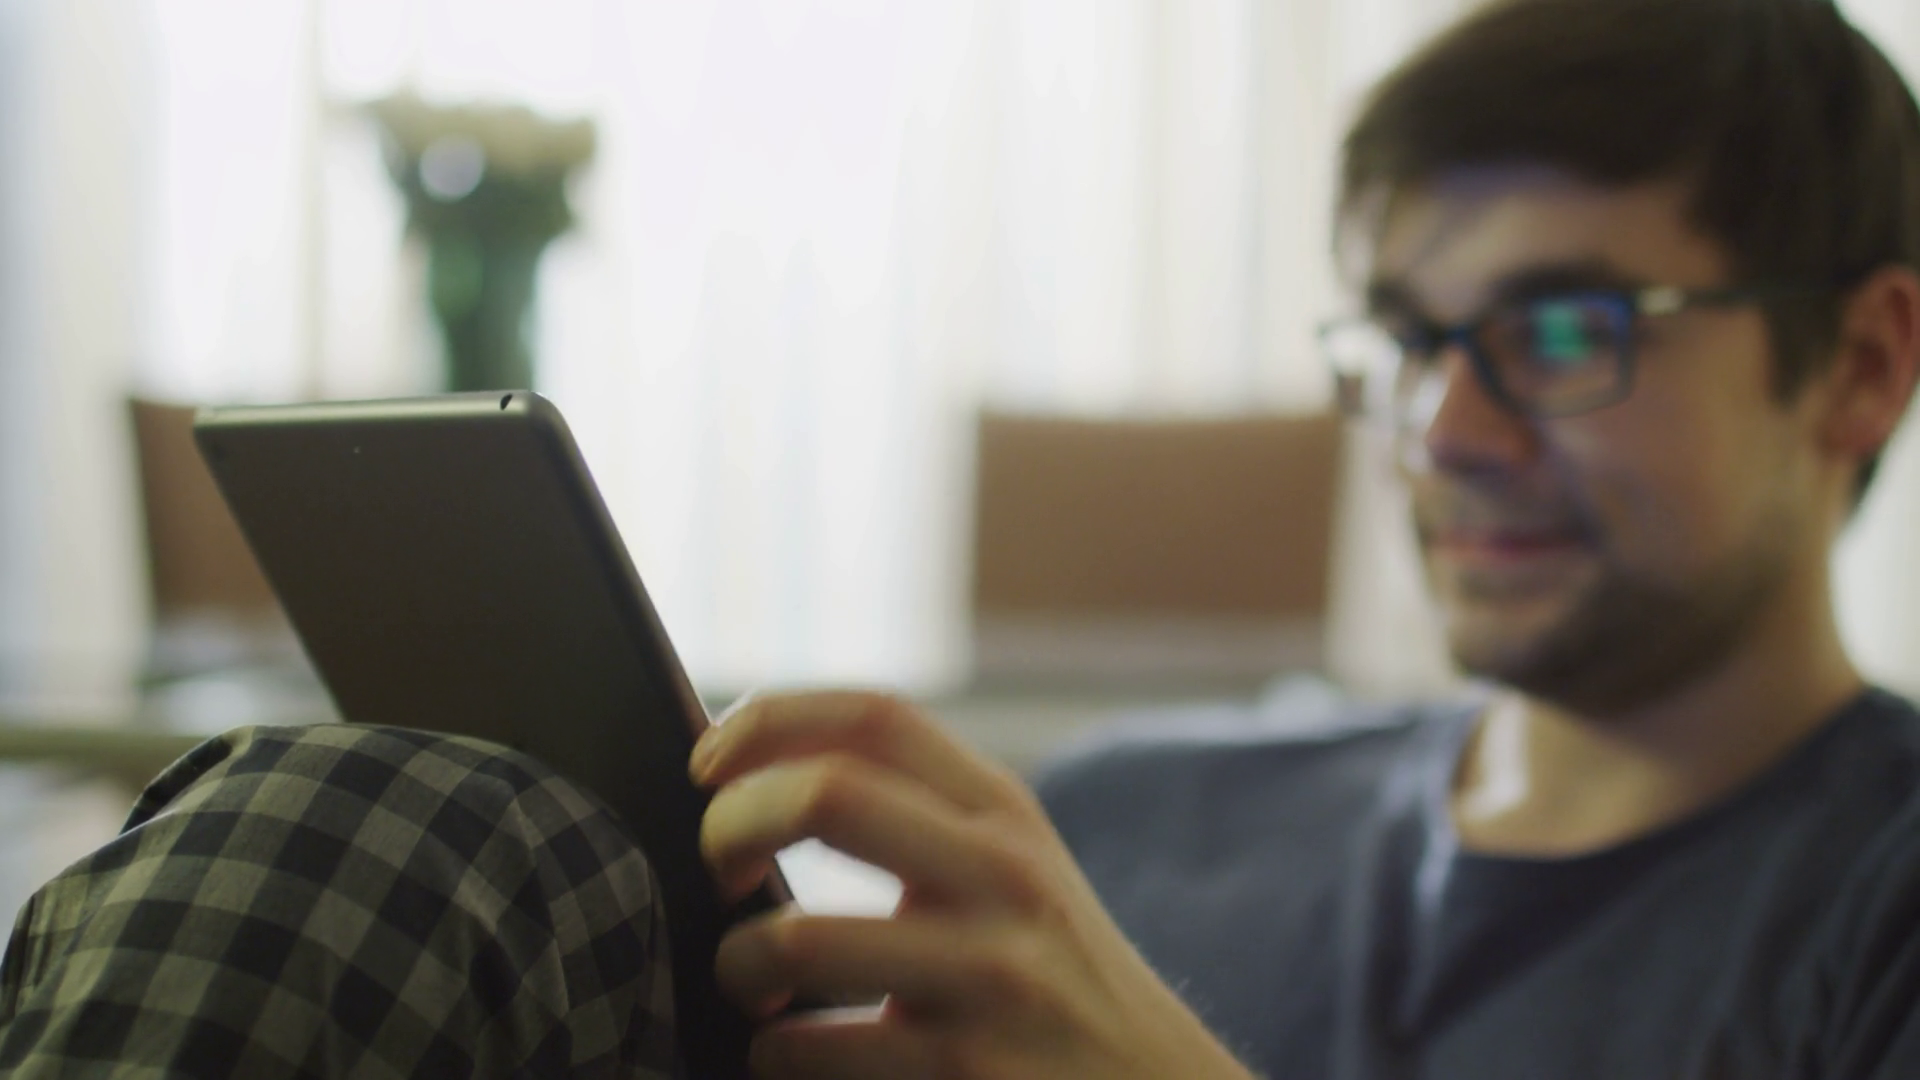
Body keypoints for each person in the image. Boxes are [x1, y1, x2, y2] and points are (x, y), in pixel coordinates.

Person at [6, 0, 1920, 1076]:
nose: (1444, 428)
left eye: (1566, 333)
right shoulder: (1139, 812)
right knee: (431, 828)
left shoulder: (1877, 904)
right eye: (1412, 340)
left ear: (1858, 365)